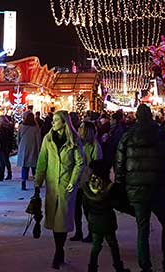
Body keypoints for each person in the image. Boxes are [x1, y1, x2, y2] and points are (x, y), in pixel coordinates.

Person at [116, 104, 165, 272]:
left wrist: (120, 188)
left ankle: (145, 266)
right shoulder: (163, 135)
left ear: (137, 116)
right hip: (160, 189)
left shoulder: (127, 136)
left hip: (137, 191)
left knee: (142, 229)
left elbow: (119, 166)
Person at [36, 110, 85, 269]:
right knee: (54, 220)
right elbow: (42, 162)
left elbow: (80, 162)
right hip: (51, 186)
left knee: (62, 221)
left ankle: (58, 251)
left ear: (64, 122)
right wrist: (38, 183)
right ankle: (59, 249)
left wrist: (73, 180)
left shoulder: (75, 140)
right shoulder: (48, 139)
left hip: (66, 186)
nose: (52, 122)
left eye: (56, 120)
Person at [81, 160, 129, 272]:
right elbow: (117, 204)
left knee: (96, 246)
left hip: (94, 221)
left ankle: (92, 268)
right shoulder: (110, 188)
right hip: (108, 221)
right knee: (113, 245)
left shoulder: (87, 188)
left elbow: (86, 208)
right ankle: (118, 267)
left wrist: (90, 219)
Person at [73, 121, 103, 242]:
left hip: (88, 181)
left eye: (81, 127)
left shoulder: (95, 146)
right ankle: (78, 231)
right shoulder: (78, 143)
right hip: (78, 180)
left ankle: (91, 232)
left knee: (87, 209)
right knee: (76, 208)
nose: (79, 129)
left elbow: (97, 164)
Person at [19, 110, 42, 191]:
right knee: (34, 166)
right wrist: (39, 148)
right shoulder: (35, 127)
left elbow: (18, 137)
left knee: (24, 166)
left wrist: (19, 145)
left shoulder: (21, 126)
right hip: (33, 147)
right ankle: (36, 183)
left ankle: (23, 182)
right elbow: (38, 139)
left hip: (24, 147)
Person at [0, 115, 16, 181]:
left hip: (3, 146)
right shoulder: (9, 127)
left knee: (3, 161)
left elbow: (3, 138)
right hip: (6, 146)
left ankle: (3, 174)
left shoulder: (3, 128)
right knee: (5, 160)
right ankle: (8, 173)